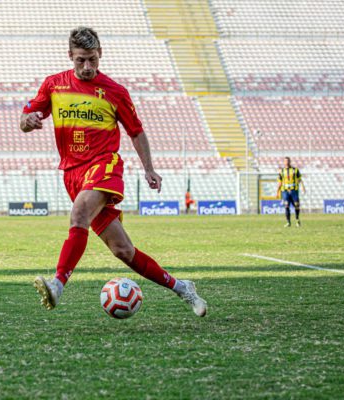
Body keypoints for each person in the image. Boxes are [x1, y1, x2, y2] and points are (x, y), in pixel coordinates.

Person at [20, 27, 207, 317]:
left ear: (100, 54)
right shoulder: (54, 84)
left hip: (103, 165)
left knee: (79, 215)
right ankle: (183, 287)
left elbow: (136, 131)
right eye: (81, 60)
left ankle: (57, 284)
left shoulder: (115, 91)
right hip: (72, 173)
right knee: (123, 250)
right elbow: (26, 117)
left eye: (92, 59)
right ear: (70, 56)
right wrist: (28, 121)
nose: (87, 66)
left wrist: (149, 168)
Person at [276, 157, 305, 227]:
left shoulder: (295, 170)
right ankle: (288, 222)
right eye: (285, 161)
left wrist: (303, 187)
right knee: (286, 206)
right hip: (285, 191)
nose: (287, 162)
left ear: (290, 161)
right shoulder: (281, 171)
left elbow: (300, 179)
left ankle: (297, 220)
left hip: (294, 191)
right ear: (284, 162)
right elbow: (280, 182)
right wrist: (277, 192)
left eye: (288, 161)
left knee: (296, 205)